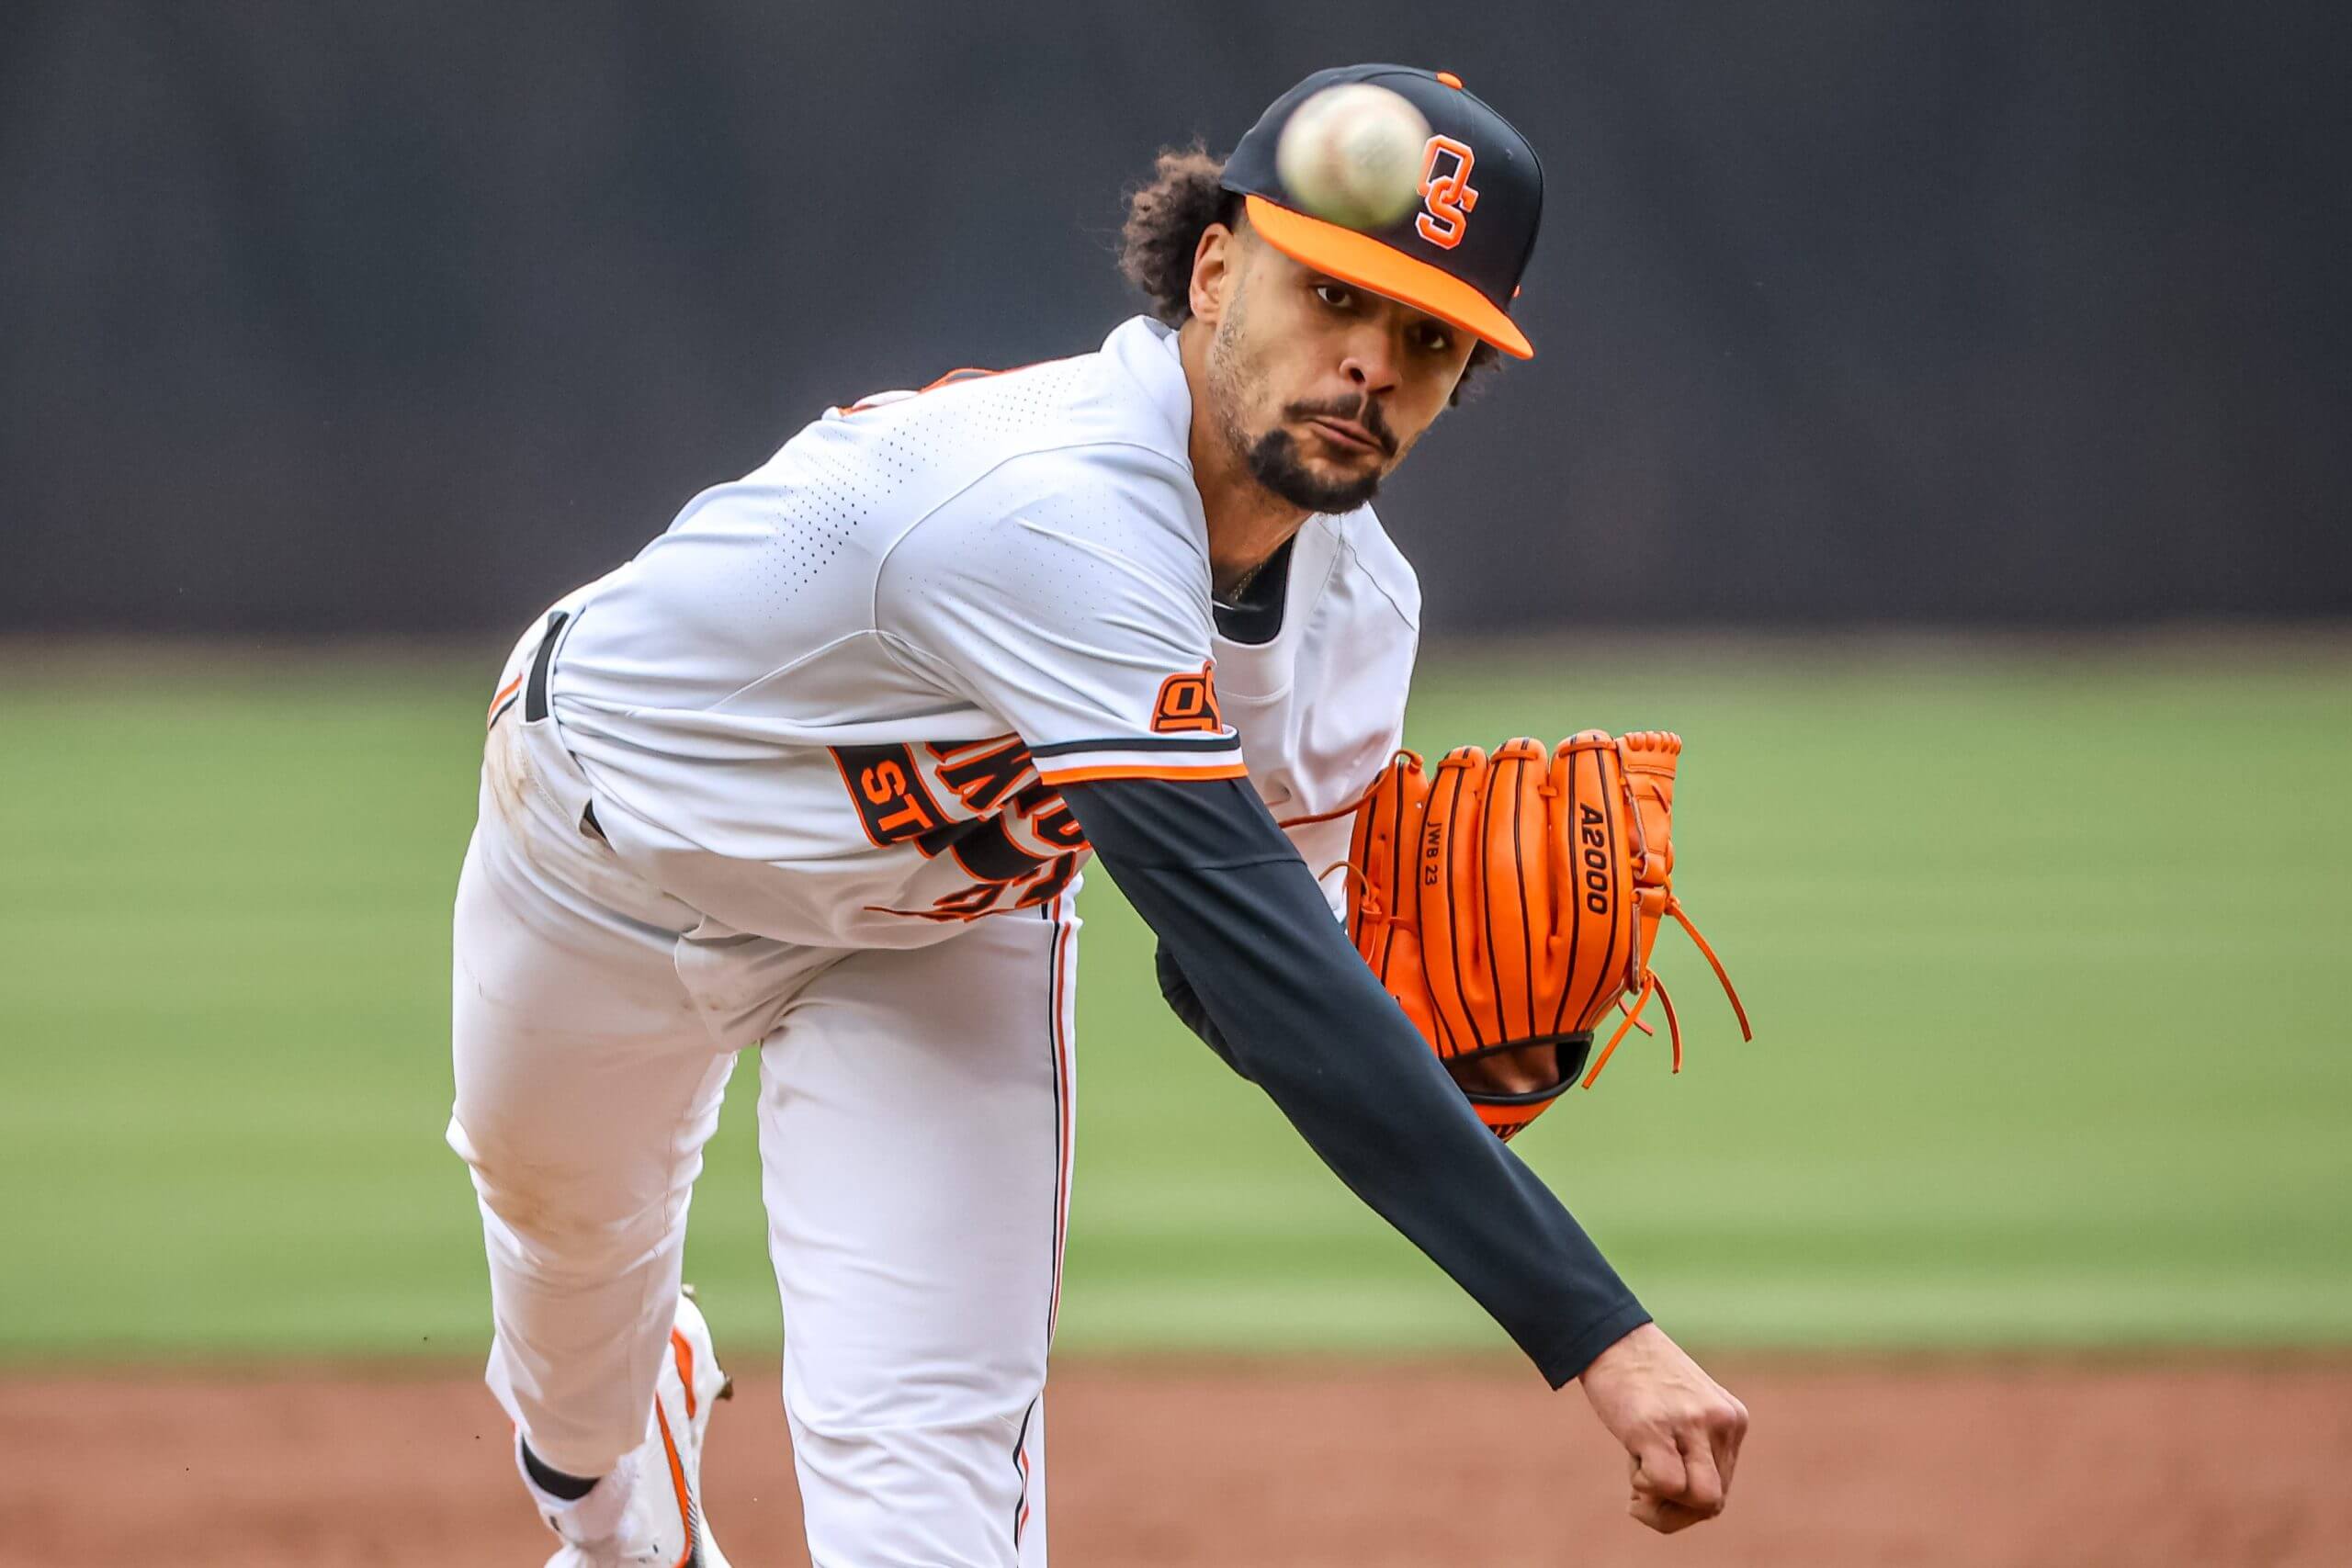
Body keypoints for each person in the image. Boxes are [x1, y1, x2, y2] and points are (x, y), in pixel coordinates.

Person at [450, 62, 1747, 1568]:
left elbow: (1243, 988)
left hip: (934, 933)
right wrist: (1600, 1330)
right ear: (1215, 268)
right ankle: (617, 1516)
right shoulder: (1048, 505)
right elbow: (1250, 945)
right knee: (569, 1279)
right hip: (603, 856)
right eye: (1334, 295)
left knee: (931, 1476)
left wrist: (1444, 1048)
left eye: (1429, 335)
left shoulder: (1355, 618)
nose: (1372, 363)